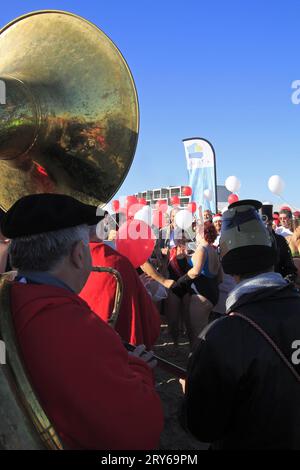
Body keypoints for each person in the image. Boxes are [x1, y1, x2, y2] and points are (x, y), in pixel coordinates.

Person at [1, 194, 163, 450]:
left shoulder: (9, 299)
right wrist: (139, 368)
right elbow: (139, 432)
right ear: (78, 254)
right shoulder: (76, 328)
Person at [180, 199, 300, 450]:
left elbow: (202, 426)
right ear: (273, 252)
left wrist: (192, 390)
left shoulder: (221, 337)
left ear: (226, 262)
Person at [79, 231, 162, 349]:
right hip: (113, 342)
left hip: (77, 336)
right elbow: (143, 315)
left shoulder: (67, 258)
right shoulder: (118, 262)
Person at [171, 223, 223, 348]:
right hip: (213, 292)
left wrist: (180, 282)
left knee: (198, 337)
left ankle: (198, 363)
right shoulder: (213, 250)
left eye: (196, 232)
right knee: (203, 332)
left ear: (202, 234)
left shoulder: (202, 249)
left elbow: (196, 271)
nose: (194, 235)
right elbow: (220, 277)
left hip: (201, 294)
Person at [261, 204, 297, 282]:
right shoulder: (256, 243)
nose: (267, 228)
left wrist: (285, 282)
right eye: (263, 225)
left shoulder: (280, 240)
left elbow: (290, 269)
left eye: (269, 224)